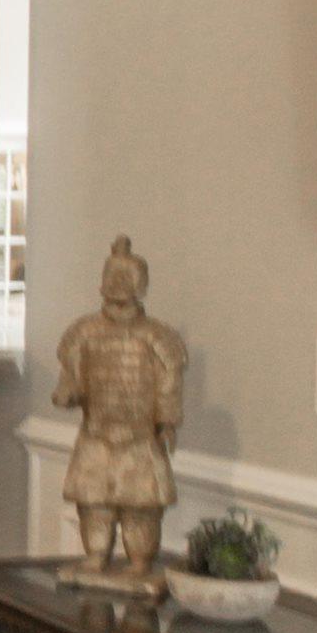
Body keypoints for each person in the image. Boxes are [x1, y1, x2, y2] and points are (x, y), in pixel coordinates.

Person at [52, 235, 186, 594]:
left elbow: (168, 383)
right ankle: (96, 555)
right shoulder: (83, 333)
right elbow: (72, 376)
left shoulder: (157, 337)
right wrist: (68, 392)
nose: (118, 285)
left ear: (141, 284)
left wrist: (167, 421)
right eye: (112, 277)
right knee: (93, 503)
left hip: (140, 437)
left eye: (126, 278)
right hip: (96, 434)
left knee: (140, 506)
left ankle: (140, 561)